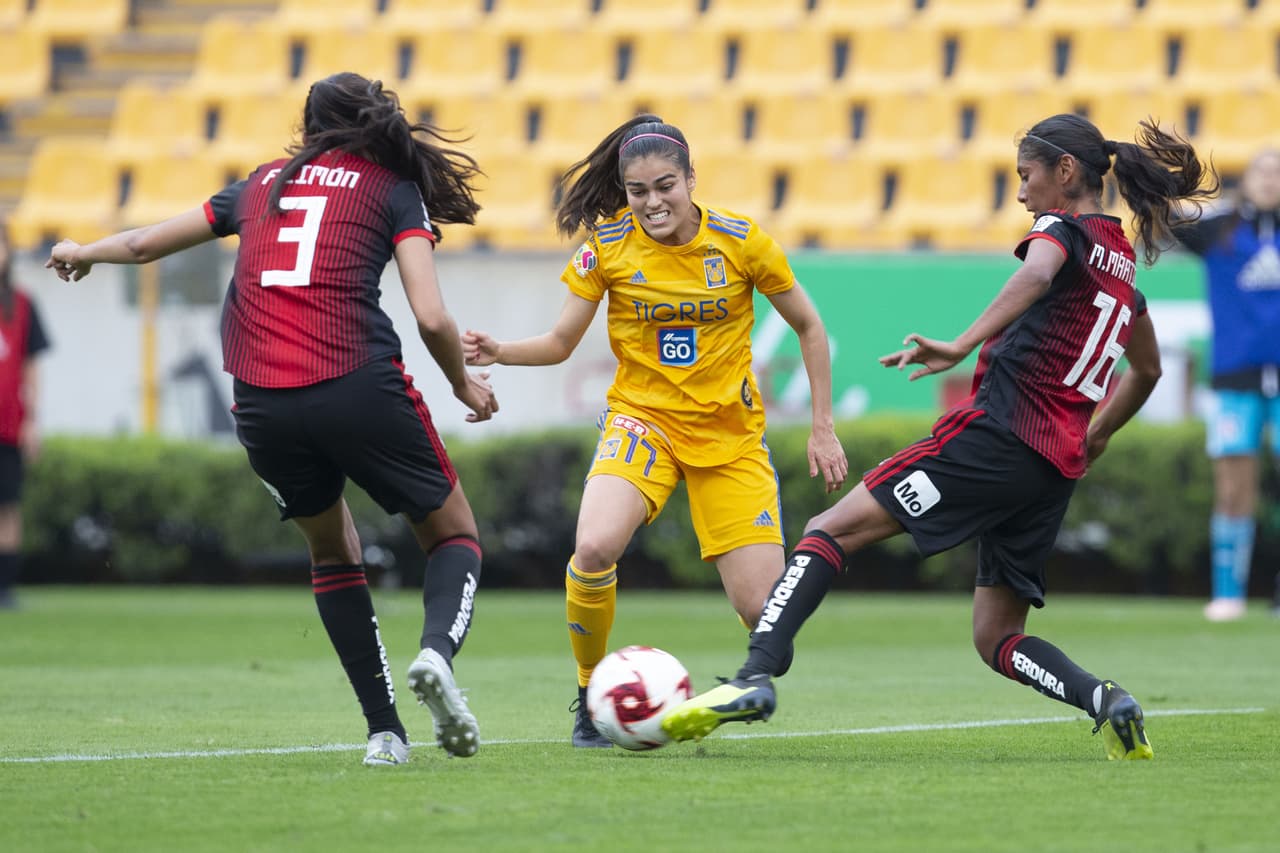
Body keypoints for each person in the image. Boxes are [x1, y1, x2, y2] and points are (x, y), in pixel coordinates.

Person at [662, 113, 1218, 761]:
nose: (1020, 193)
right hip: (1052, 469)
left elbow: (1038, 273)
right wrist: (1096, 436)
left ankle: (755, 675)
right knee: (997, 636)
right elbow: (1146, 370)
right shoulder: (1123, 269)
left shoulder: (1058, 229)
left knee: (828, 529)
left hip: (999, 439)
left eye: (1026, 176)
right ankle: (1106, 700)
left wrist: (959, 344)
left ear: (1065, 173)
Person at [46, 72, 498, 767]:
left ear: (309, 126)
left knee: (331, 550)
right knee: (454, 534)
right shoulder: (389, 187)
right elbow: (432, 312)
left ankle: (385, 733)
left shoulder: (259, 184)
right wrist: (463, 383)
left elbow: (141, 246)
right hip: (355, 381)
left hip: (261, 399)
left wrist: (82, 252)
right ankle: (436, 655)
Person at [461, 114, 848, 747]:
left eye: (665, 185)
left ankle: (737, 689)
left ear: (691, 179)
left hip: (730, 438)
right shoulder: (606, 247)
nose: (652, 202)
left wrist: (822, 428)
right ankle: (591, 695)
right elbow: (561, 343)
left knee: (765, 613)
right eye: (638, 191)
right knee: (592, 549)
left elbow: (809, 326)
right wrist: (499, 349)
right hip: (642, 421)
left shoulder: (742, 242)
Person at [1173, 149, 1280, 621]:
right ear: (1247, 179)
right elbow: (1166, 220)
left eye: (1279, 173)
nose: (1271, 179)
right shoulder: (1220, 230)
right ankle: (1228, 593)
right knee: (1234, 486)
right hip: (1235, 378)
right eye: (1263, 170)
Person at [0, 219, 51, 609]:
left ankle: (5, 588)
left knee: (8, 509)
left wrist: (32, 421)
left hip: (8, 426)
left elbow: (31, 369)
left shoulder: (21, 305)